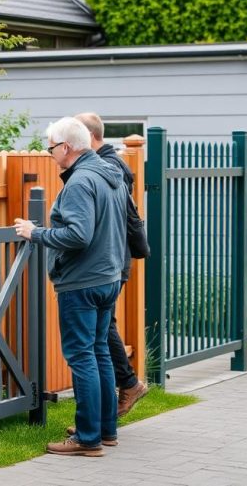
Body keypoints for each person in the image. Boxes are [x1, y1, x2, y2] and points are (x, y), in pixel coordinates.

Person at [13, 116, 128, 457]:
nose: (49, 154)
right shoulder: (111, 174)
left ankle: (88, 438)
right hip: (108, 276)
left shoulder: (79, 182)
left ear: (66, 147)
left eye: (51, 147)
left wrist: (36, 233)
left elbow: (78, 235)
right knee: (99, 352)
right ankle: (106, 430)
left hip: (82, 281)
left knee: (82, 357)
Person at [75, 112, 150, 417]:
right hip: (115, 259)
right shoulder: (114, 164)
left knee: (101, 335)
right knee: (104, 332)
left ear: (91, 137)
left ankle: (128, 385)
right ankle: (111, 408)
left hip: (109, 261)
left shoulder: (110, 166)